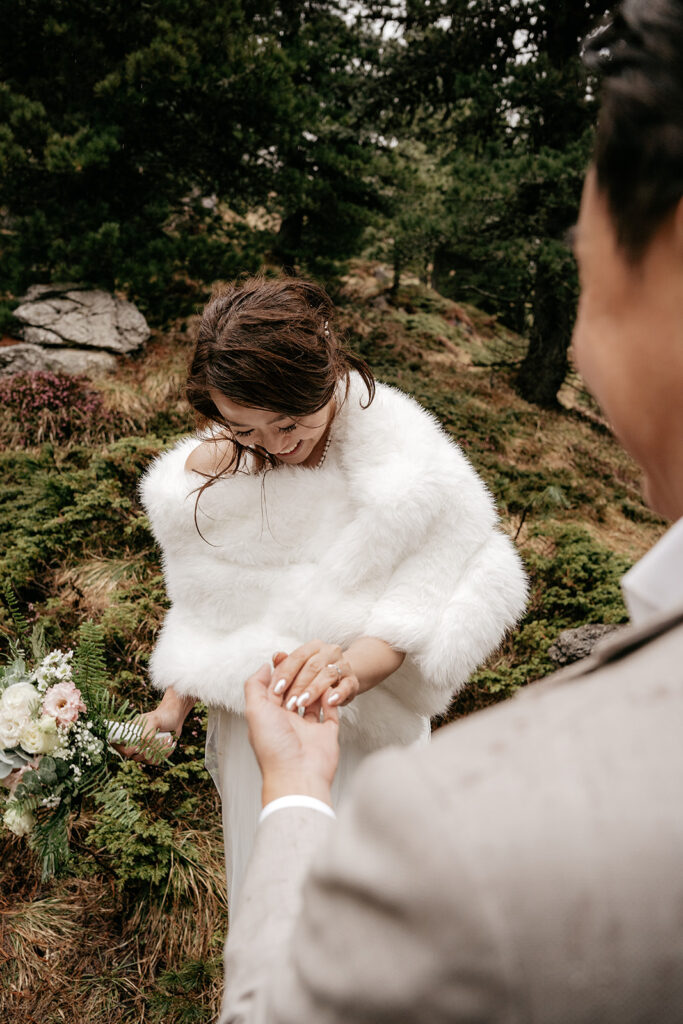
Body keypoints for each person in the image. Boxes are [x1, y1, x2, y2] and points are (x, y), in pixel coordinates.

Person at [219, 1, 683, 1021]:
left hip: (354, 739)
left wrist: (307, 768)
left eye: (586, 258)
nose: (573, 340)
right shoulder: (213, 466)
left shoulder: (458, 837)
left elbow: (470, 566)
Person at [133, 276, 527, 900]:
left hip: (358, 727)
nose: (278, 444)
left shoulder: (408, 469)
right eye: (246, 429)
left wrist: (344, 672)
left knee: (372, 900)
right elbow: (214, 604)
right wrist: (172, 707)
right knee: (271, 891)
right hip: (256, 726)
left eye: (290, 422)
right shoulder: (222, 466)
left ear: (324, 378)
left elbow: (410, 613)